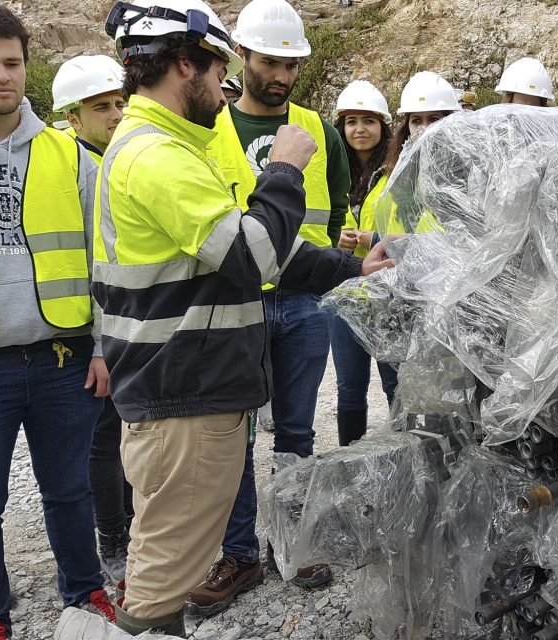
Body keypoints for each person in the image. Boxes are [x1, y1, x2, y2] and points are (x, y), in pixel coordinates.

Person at [99, 0, 392, 635]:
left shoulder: (175, 145)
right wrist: (283, 168)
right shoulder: (158, 156)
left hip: (185, 384)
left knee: (169, 557)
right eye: (218, 71)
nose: (223, 86)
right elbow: (252, 255)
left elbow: (252, 250)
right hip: (182, 390)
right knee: (165, 572)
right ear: (186, 64)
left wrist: (352, 268)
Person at [185, 0, 353, 617]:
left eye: (291, 64)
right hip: (238, 302)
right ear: (241, 58)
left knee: (297, 431)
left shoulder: (318, 130)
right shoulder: (212, 128)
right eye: (269, 62)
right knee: (234, 434)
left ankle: (294, 543)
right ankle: (240, 554)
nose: (281, 75)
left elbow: (335, 211)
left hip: (304, 303)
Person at [0, 2, 116, 639]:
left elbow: (104, 258)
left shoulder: (70, 157)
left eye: (12, 62)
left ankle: (85, 592)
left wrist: (103, 348)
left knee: (70, 491)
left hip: (63, 359)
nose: (1, 75)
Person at [52, 52, 133, 587]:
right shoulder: (75, 166)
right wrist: (100, 343)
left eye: (119, 103)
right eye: (100, 107)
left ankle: (132, 529)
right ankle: (114, 540)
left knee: (130, 431)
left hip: (130, 322)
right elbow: (92, 261)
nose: (116, 114)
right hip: (96, 330)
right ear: (74, 118)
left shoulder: (121, 160)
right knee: (105, 439)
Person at [330, 80, 397, 446]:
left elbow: (414, 224)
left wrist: (376, 239)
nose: (360, 129)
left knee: (394, 382)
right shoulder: (329, 169)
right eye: (351, 121)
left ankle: (403, 455)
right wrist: (334, 239)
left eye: (369, 121)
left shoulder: (397, 169)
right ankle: (350, 460)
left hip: (388, 293)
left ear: (383, 126)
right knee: (350, 386)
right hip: (343, 292)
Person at [52, 55, 127, 162]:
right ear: (74, 121)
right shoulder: (70, 166)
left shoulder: (133, 152)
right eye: (102, 108)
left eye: (120, 105)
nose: (118, 116)